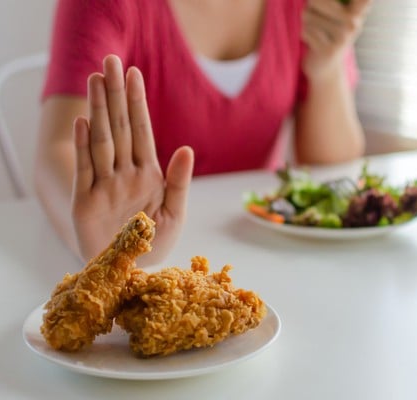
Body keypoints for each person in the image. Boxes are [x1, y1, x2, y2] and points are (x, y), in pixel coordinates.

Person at [35, 0, 372, 267]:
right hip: (156, 250)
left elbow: (331, 167)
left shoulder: (311, 6)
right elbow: (58, 147)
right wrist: (103, 240)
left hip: (268, 250)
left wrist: (327, 69)